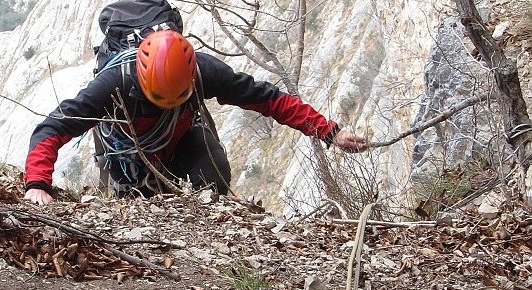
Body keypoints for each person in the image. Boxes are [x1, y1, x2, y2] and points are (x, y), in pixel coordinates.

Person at [24, 28, 366, 205]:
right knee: (135, 204)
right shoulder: (114, 83)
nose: (167, 106)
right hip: (128, 155)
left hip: (185, 138)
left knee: (214, 177)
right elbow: (53, 127)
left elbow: (268, 99)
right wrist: (38, 183)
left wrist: (329, 131)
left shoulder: (204, 71)